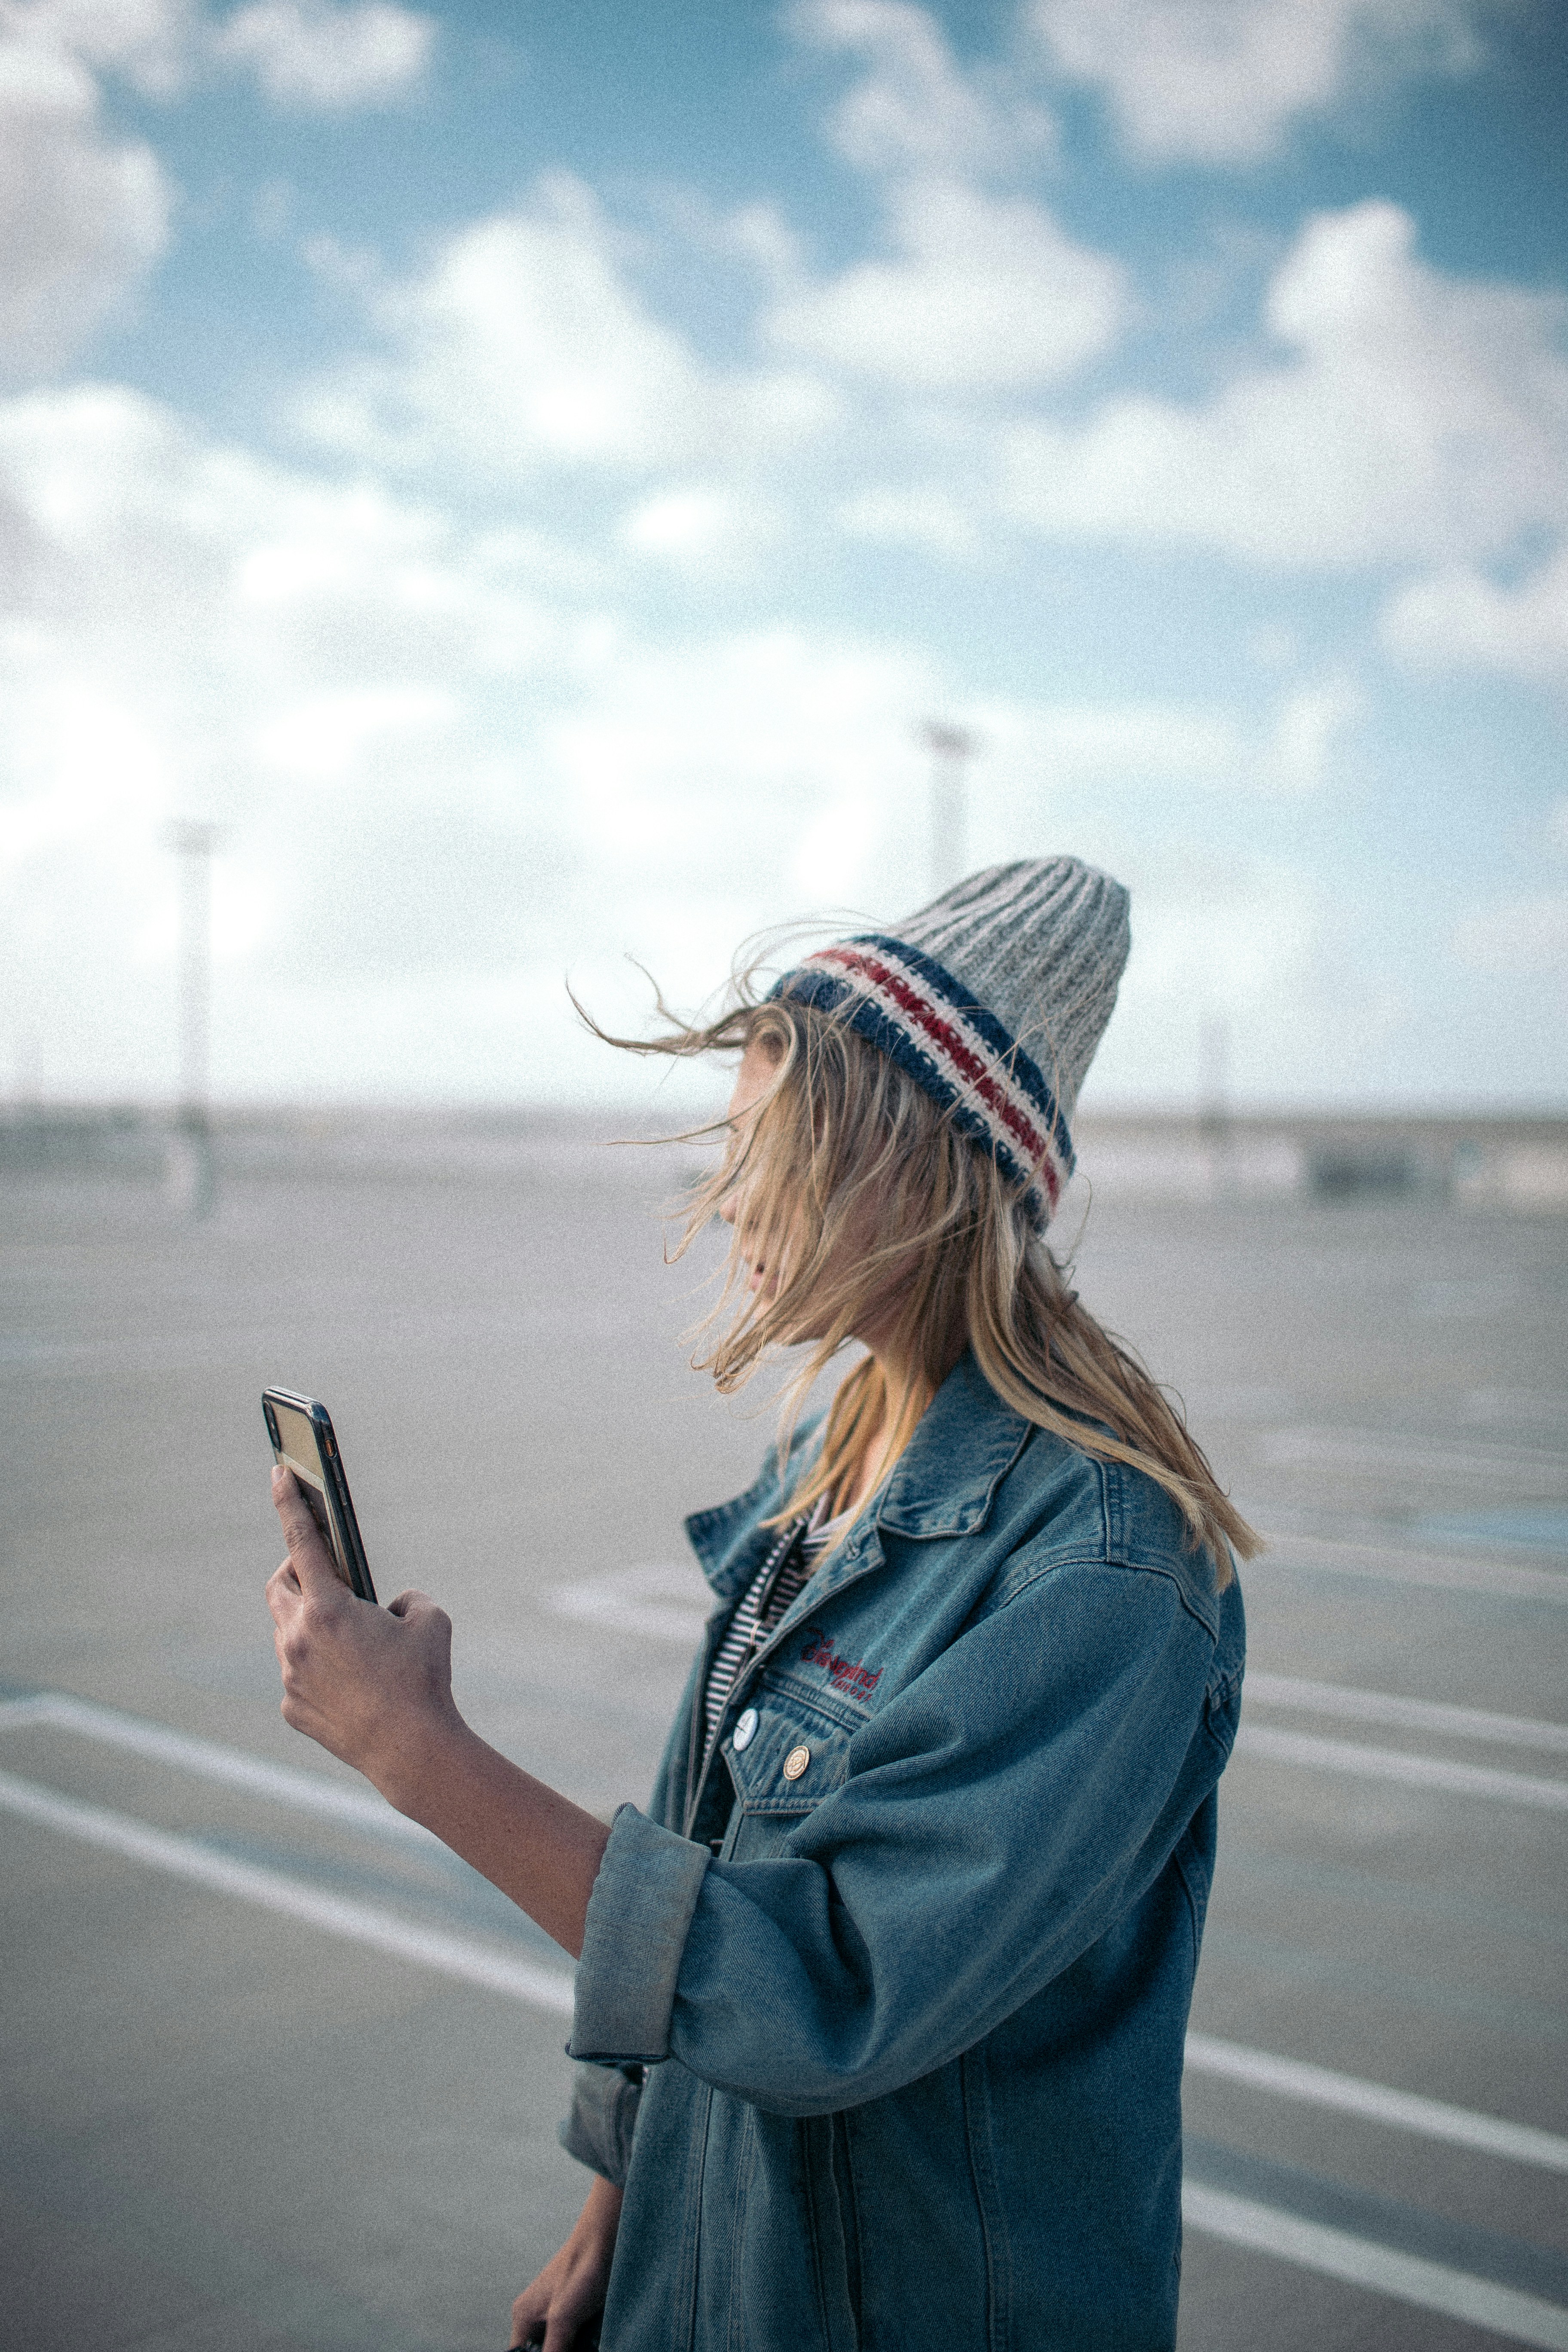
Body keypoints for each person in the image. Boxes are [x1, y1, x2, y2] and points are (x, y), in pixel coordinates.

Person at [266, 858, 1256, 2352]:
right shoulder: (836, 1452)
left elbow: (827, 1992)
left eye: (771, 1153)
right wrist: (622, 2195)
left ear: (919, 1170)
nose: (729, 1200)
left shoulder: (1112, 1578)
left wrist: (424, 1757)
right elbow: (701, 1835)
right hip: (710, 2278)